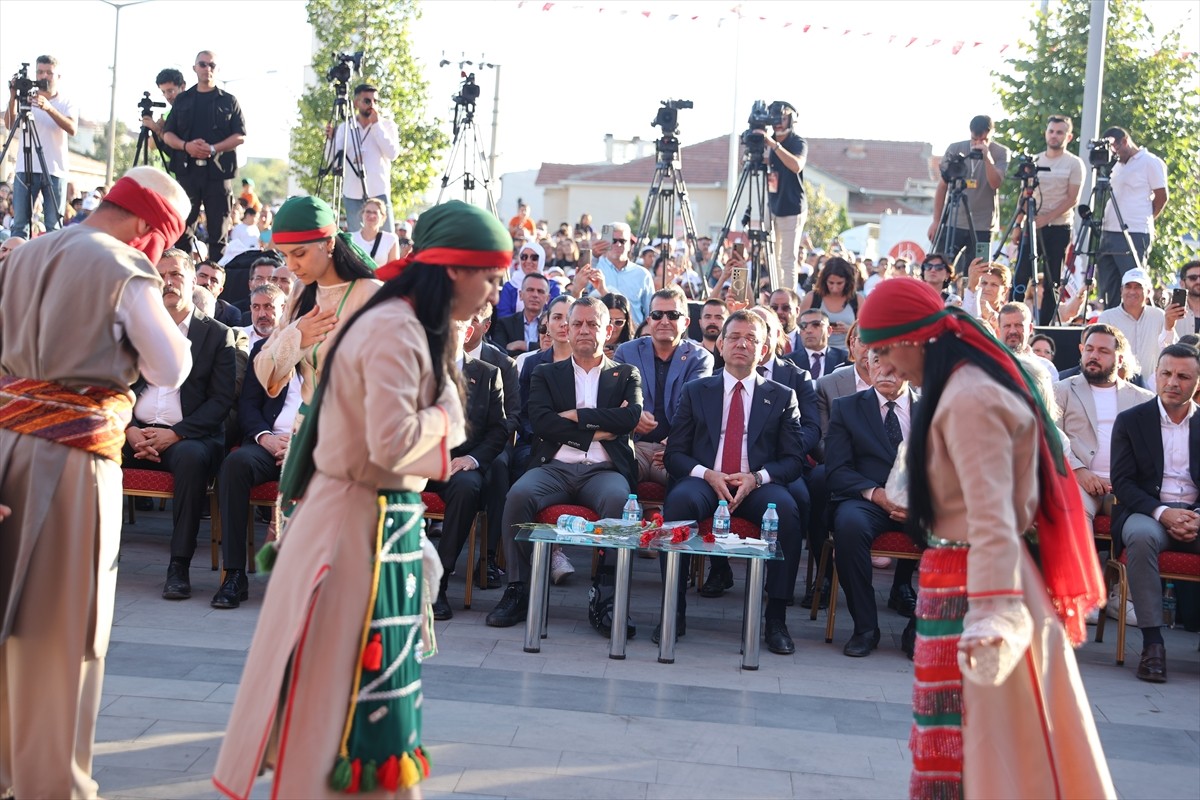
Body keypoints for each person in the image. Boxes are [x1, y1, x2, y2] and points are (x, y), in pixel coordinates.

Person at [212, 200, 507, 797]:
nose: (494, 294)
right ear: (455, 270)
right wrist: (450, 415)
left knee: (360, 691)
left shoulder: (391, 310)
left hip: (372, 517)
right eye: (490, 277)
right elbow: (393, 440)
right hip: (352, 526)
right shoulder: (396, 323)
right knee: (337, 699)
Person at [858, 278, 1113, 800]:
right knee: (984, 754)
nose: (883, 365)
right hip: (968, 579)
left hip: (981, 587)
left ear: (914, 338)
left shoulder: (969, 395)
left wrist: (994, 613)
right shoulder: (963, 383)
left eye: (884, 349)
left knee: (989, 759)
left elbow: (994, 517)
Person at [0, 167, 193, 799]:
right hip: (70, 461)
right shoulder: (123, 267)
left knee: (9, 616)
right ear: (147, 226)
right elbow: (169, 366)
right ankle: (52, 784)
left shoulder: (22, 254)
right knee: (64, 627)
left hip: (6, 447)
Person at [485, 297, 642, 632]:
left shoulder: (626, 373)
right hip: (552, 468)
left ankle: (606, 596)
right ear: (566, 330)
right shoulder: (546, 373)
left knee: (619, 500)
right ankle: (518, 588)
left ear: (609, 330)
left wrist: (576, 417)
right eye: (578, 324)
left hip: (604, 472)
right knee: (517, 496)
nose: (584, 330)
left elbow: (629, 418)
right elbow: (542, 424)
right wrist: (598, 430)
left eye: (593, 324)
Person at [660, 311, 806, 652]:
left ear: (764, 348)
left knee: (787, 511)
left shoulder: (782, 396)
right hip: (706, 480)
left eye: (751, 339)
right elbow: (675, 455)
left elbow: (793, 460)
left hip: (755, 484)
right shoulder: (696, 391)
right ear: (720, 346)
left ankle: (776, 620)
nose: (742, 344)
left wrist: (757, 478)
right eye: (735, 337)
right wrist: (707, 474)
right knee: (679, 503)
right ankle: (673, 611)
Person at [127, 249, 239, 601]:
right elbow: (116, 386)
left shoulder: (217, 335)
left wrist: (174, 433)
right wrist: (129, 429)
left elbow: (221, 402)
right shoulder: (137, 328)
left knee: (191, 459)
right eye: (161, 276)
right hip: (134, 432)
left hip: (189, 435)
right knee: (89, 447)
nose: (168, 282)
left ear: (194, 281)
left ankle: (178, 567)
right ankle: (84, 559)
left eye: (176, 274)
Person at [1110, 344, 1200, 684]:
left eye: (1183, 376)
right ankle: (1152, 645)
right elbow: (1122, 482)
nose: (1173, 382)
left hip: (1195, 515)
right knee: (1141, 536)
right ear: (1156, 375)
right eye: (1166, 373)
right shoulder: (1132, 421)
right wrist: (1163, 513)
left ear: (1197, 382)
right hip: (1147, 512)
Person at [252, 196, 380, 430]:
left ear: (329, 243)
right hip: (305, 430)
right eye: (285, 255)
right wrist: (296, 335)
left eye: (299, 254)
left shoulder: (373, 296)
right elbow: (263, 369)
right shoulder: (300, 291)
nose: (290, 266)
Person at [824, 350, 920, 657]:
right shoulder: (847, 408)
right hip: (868, 500)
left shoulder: (934, 410)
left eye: (894, 362)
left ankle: (919, 630)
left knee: (955, 535)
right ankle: (865, 627)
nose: (884, 370)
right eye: (877, 361)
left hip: (921, 504)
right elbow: (837, 470)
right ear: (867, 364)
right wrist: (877, 494)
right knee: (848, 527)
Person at [613, 286, 714, 485]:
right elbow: (613, 398)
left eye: (673, 315)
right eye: (658, 315)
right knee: (614, 481)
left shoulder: (700, 358)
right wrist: (632, 415)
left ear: (686, 322)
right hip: (634, 444)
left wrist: (676, 443)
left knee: (686, 488)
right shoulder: (626, 351)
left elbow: (694, 408)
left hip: (676, 448)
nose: (665, 321)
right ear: (649, 320)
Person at [161, 50, 247, 261]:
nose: (207, 68)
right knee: (182, 229)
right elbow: (167, 134)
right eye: (202, 64)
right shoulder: (183, 100)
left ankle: (214, 279)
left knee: (218, 233)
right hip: (187, 172)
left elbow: (240, 135)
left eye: (211, 65)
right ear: (194, 68)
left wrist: (213, 148)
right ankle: (183, 273)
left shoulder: (228, 101)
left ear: (217, 69)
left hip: (218, 174)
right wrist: (186, 146)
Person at [1016, 115, 1084, 321]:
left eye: (1059, 132)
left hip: (1059, 226)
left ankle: (1046, 324)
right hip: (1031, 225)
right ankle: (1014, 316)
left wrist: (1046, 218)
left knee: (1052, 277)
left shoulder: (1074, 163)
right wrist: (1018, 225)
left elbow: (1073, 198)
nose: (1054, 136)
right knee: (1021, 274)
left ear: (1068, 136)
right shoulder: (1034, 161)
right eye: (1051, 131)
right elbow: (1023, 195)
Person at [4, 55, 78, 238]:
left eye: (49, 73)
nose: (44, 76)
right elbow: (9, 124)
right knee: (20, 224)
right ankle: (19, 263)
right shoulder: (27, 98)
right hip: (25, 167)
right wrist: (13, 97)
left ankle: (52, 265)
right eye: (40, 72)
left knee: (53, 225)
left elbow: (72, 129)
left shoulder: (65, 102)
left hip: (54, 170)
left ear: (58, 76)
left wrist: (49, 108)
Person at [1095, 127, 1169, 310]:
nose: (1114, 152)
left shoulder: (1150, 161)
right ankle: (1111, 325)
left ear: (1125, 141)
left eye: (1115, 147)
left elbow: (1162, 196)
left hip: (1134, 230)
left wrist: (1147, 217)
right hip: (1109, 230)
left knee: (1133, 284)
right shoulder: (1116, 165)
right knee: (1108, 285)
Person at [927, 115, 1009, 273]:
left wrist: (987, 157)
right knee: (939, 268)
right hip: (953, 221)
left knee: (976, 273)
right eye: (974, 139)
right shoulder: (955, 148)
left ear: (992, 133)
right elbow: (942, 186)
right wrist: (936, 221)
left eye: (983, 139)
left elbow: (995, 183)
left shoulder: (1000, 152)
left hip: (983, 225)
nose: (977, 143)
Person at [326, 83, 400, 233]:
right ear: (356, 103)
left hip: (378, 192)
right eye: (367, 101)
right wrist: (329, 140)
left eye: (375, 101)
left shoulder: (387, 125)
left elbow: (392, 154)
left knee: (386, 237)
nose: (372, 105)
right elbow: (331, 159)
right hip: (353, 194)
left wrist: (376, 126)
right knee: (357, 241)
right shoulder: (345, 127)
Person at [758, 101, 807, 291]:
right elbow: (754, 163)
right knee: (771, 256)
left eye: (783, 118)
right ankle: (775, 293)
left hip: (792, 207)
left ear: (791, 119)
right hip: (773, 205)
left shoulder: (797, 142)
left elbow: (796, 165)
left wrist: (774, 145)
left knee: (787, 259)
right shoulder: (768, 141)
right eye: (775, 118)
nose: (778, 123)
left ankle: (788, 298)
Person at [1097, 268, 1172, 391]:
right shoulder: (1107, 317)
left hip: (1153, 388)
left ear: (1148, 292)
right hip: (1117, 386)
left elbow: (1169, 346)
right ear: (1121, 291)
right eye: (1128, 286)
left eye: (1138, 287)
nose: (1132, 291)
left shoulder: (1159, 316)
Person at [581, 223, 655, 326]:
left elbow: (650, 311)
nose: (618, 245)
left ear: (630, 245)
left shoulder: (643, 274)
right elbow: (581, 295)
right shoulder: (595, 267)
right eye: (613, 241)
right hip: (600, 332)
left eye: (622, 241)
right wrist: (593, 257)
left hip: (633, 335)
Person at [798, 257, 862, 350]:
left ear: (848, 281)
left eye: (839, 283)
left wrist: (850, 330)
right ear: (824, 281)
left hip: (848, 354)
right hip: (816, 353)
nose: (835, 288)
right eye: (831, 283)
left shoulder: (858, 299)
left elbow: (866, 331)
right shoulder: (812, 297)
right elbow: (799, 325)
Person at [350, 197, 400, 263]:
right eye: (368, 212)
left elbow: (393, 269)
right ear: (362, 214)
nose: (371, 215)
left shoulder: (390, 239)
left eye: (375, 213)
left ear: (383, 217)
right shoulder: (351, 239)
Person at [600, 292, 633, 357]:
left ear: (626, 323)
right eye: (608, 321)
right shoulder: (587, 342)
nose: (612, 328)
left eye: (618, 322)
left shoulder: (633, 347)